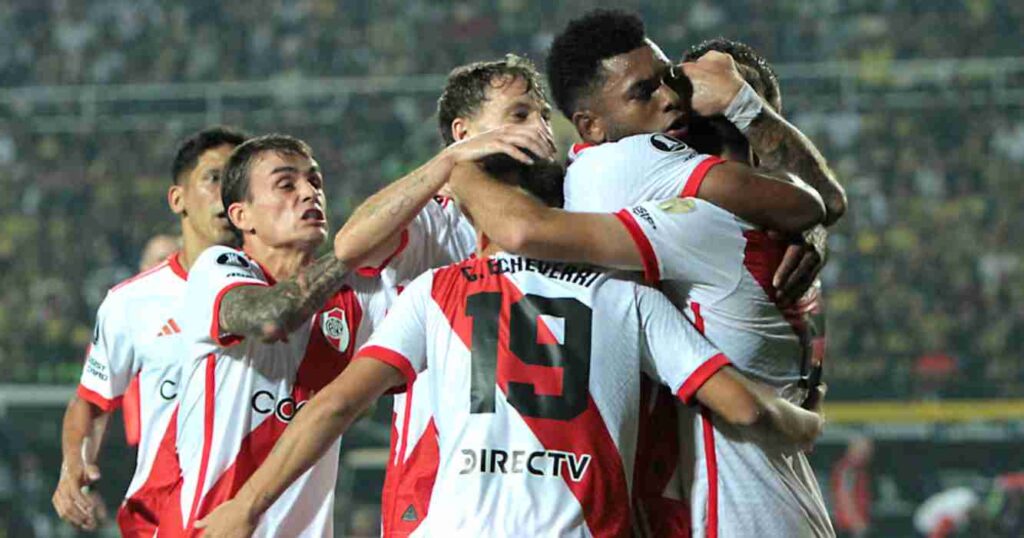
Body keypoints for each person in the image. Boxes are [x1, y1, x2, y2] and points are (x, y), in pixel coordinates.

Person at [195, 156, 825, 538]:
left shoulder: (437, 292)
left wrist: (247, 508)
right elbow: (744, 411)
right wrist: (804, 421)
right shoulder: (627, 298)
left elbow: (332, 407)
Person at [448, 10, 847, 536]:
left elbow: (526, 230)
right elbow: (825, 202)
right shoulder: (782, 247)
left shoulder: (655, 187)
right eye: (655, 88)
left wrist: (456, 166)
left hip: (733, 518)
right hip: (783, 506)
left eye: (684, 88)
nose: (674, 99)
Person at [330, 54, 556, 536]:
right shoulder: (437, 220)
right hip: (440, 467)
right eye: (519, 115)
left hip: (555, 467)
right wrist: (450, 164)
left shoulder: (574, 208)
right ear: (463, 132)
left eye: (542, 115)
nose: (538, 127)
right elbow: (351, 244)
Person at [51, 126, 248, 536]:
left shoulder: (281, 299)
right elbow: (91, 401)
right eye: (214, 178)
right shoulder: (132, 302)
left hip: (259, 515)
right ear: (178, 199)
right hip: (162, 517)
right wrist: (74, 464)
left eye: (239, 181)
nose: (228, 193)